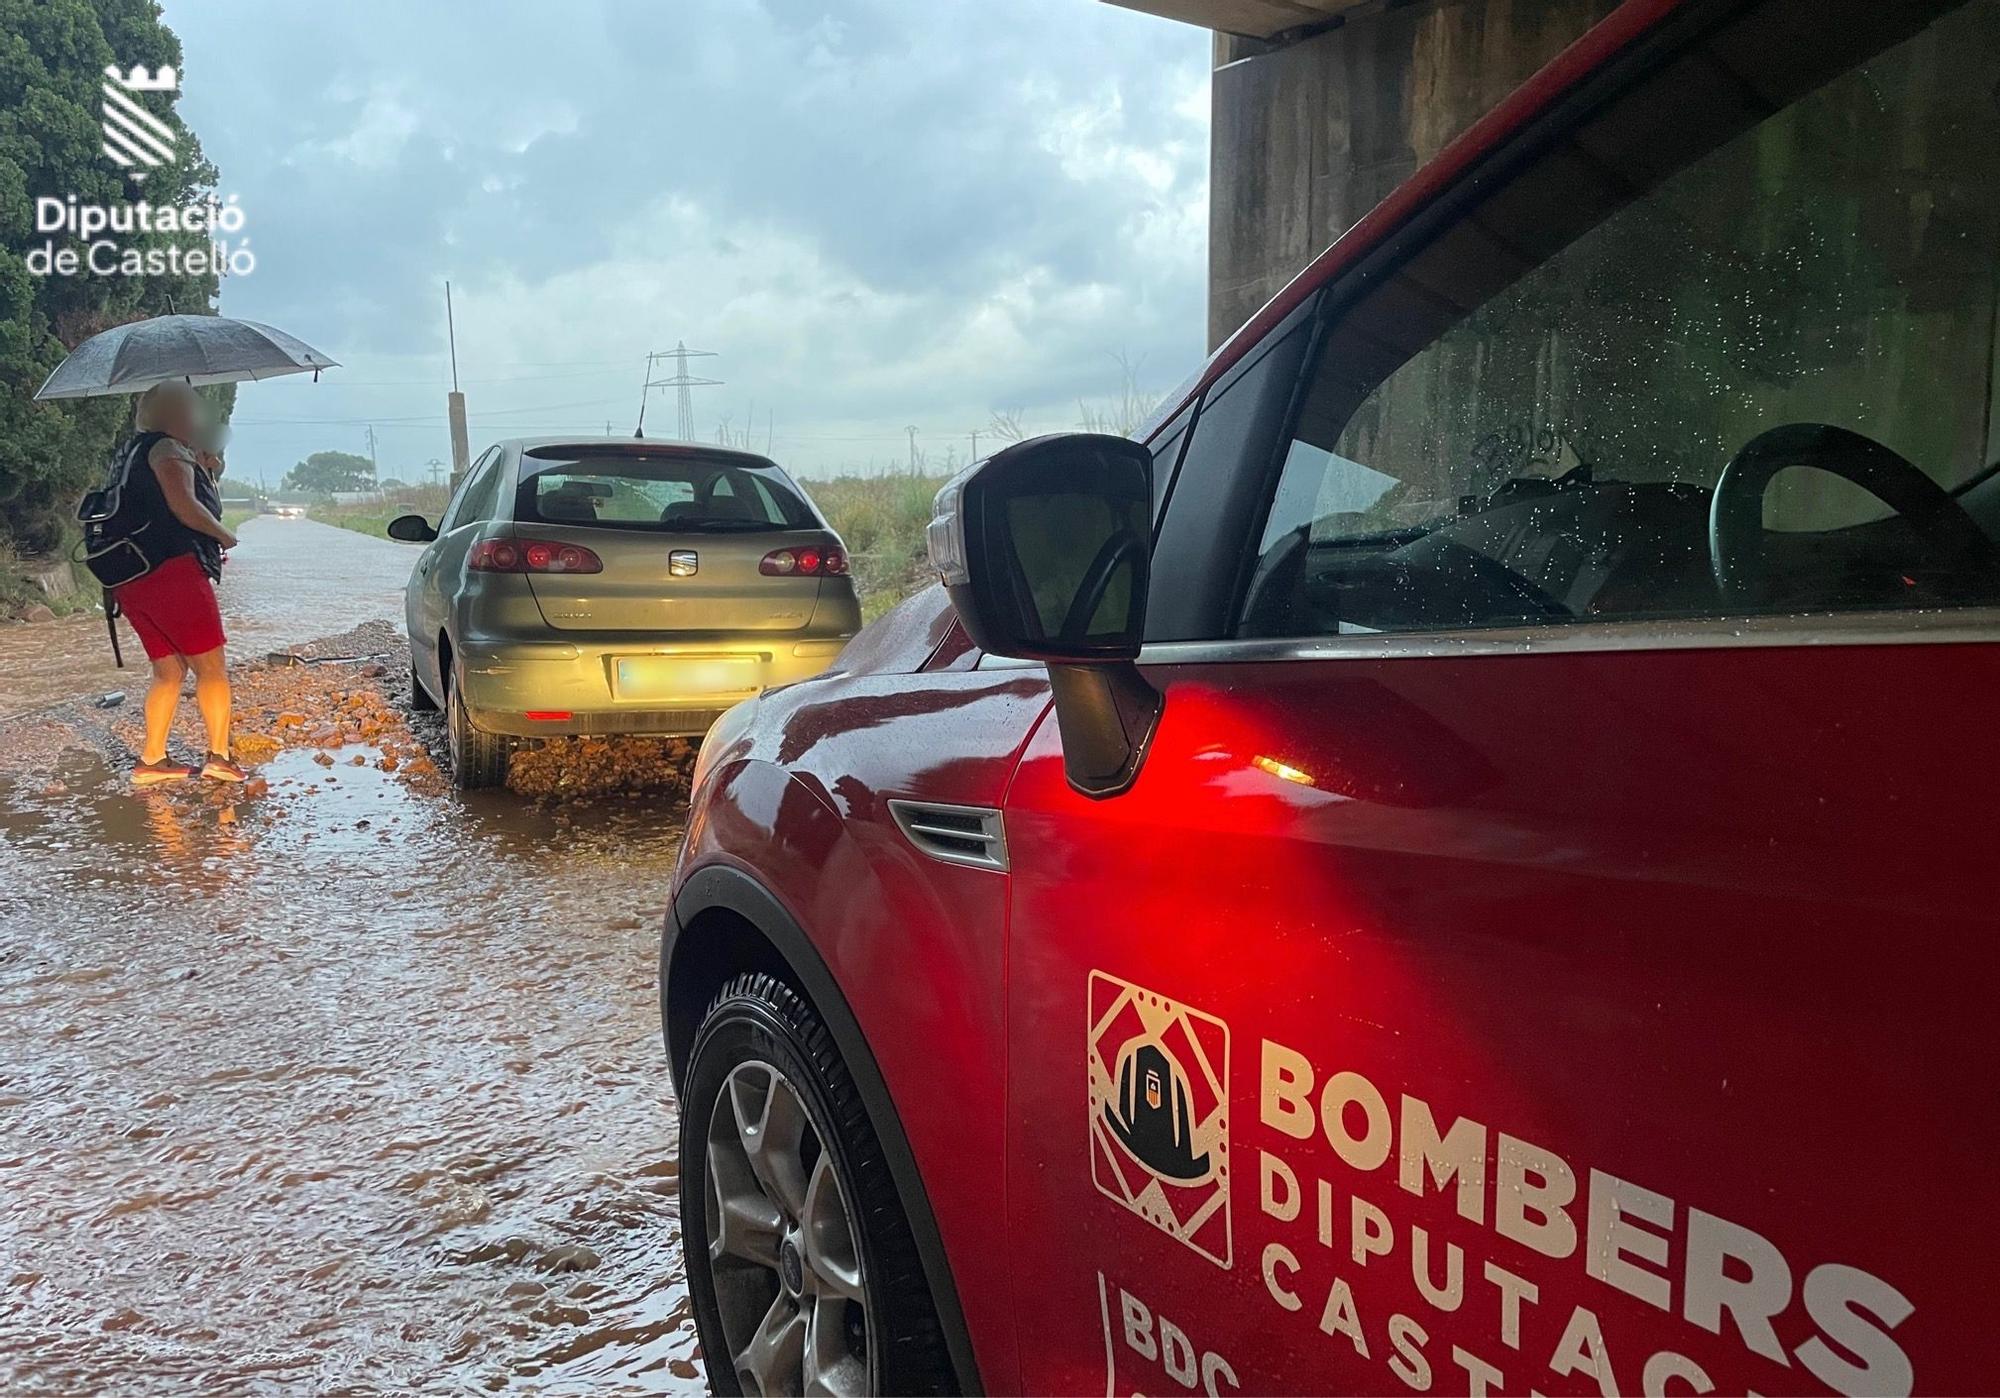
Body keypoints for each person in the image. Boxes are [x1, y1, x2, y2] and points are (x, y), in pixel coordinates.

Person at [114, 382, 246, 786]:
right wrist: (225, 535)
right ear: (173, 416)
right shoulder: (167, 449)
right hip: (172, 571)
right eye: (191, 411)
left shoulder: (132, 452)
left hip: (132, 578)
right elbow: (184, 506)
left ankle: (152, 762)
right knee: (211, 668)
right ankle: (219, 757)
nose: (197, 419)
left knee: (168, 672)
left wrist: (205, 467)